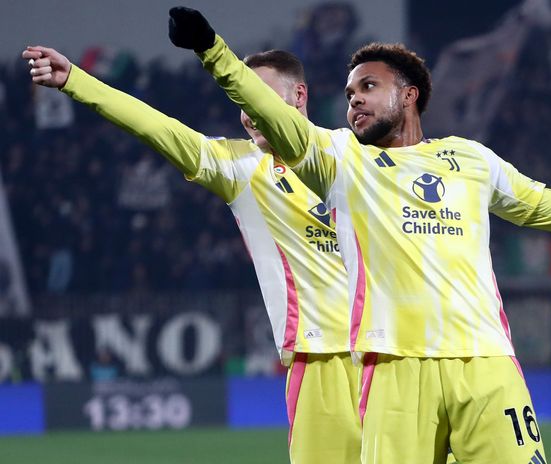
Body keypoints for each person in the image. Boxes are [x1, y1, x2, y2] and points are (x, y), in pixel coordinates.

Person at [166, 7, 551, 463]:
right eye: (349, 91)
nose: (353, 98)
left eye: (368, 86)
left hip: (487, 365)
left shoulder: (470, 159)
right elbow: (275, 116)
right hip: (393, 370)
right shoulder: (340, 161)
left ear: (408, 95)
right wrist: (213, 52)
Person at [23, 45, 360, 463]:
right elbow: (157, 127)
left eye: (259, 97)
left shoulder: (352, 153)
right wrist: (77, 81)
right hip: (323, 357)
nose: (249, 112)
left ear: (299, 95)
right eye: (242, 101)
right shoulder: (241, 167)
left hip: (396, 351)